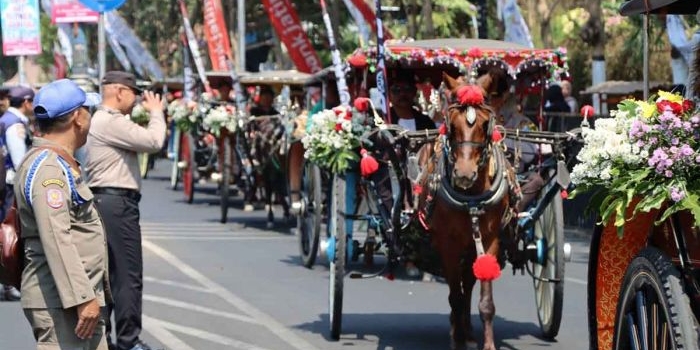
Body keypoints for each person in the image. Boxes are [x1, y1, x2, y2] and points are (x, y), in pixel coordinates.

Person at [16, 79, 108, 349]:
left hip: (71, 298)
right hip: (62, 302)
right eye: (88, 110)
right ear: (78, 118)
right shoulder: (49, 171)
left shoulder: (56, 163)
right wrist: (82, 297)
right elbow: (56, 237)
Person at [84, 71, 166, 350]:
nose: (137, 100)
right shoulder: (110, 121)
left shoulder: (104, 120)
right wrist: (156, 113)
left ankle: (106, 340)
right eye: (134, 93)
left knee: (108, 276)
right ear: (119, 92)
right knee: (127, 276)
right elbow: (154, 141)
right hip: (117, 204)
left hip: (107, 203)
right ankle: (129, 341)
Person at [376, 73, 436, 278]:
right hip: (390, 170)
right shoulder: (382, 118)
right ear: (389, 94)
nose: (402, 95)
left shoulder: (425, 120)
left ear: (414, 93)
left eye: (407, 90)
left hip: (422, 172)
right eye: (396, 90)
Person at [0, 86, 35, 302]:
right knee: (10, 233)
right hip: (11, 184)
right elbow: (21, 161)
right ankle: (8, 282)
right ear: (26, 102)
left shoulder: (8, 119)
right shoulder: (15, 124)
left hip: (5, 183)